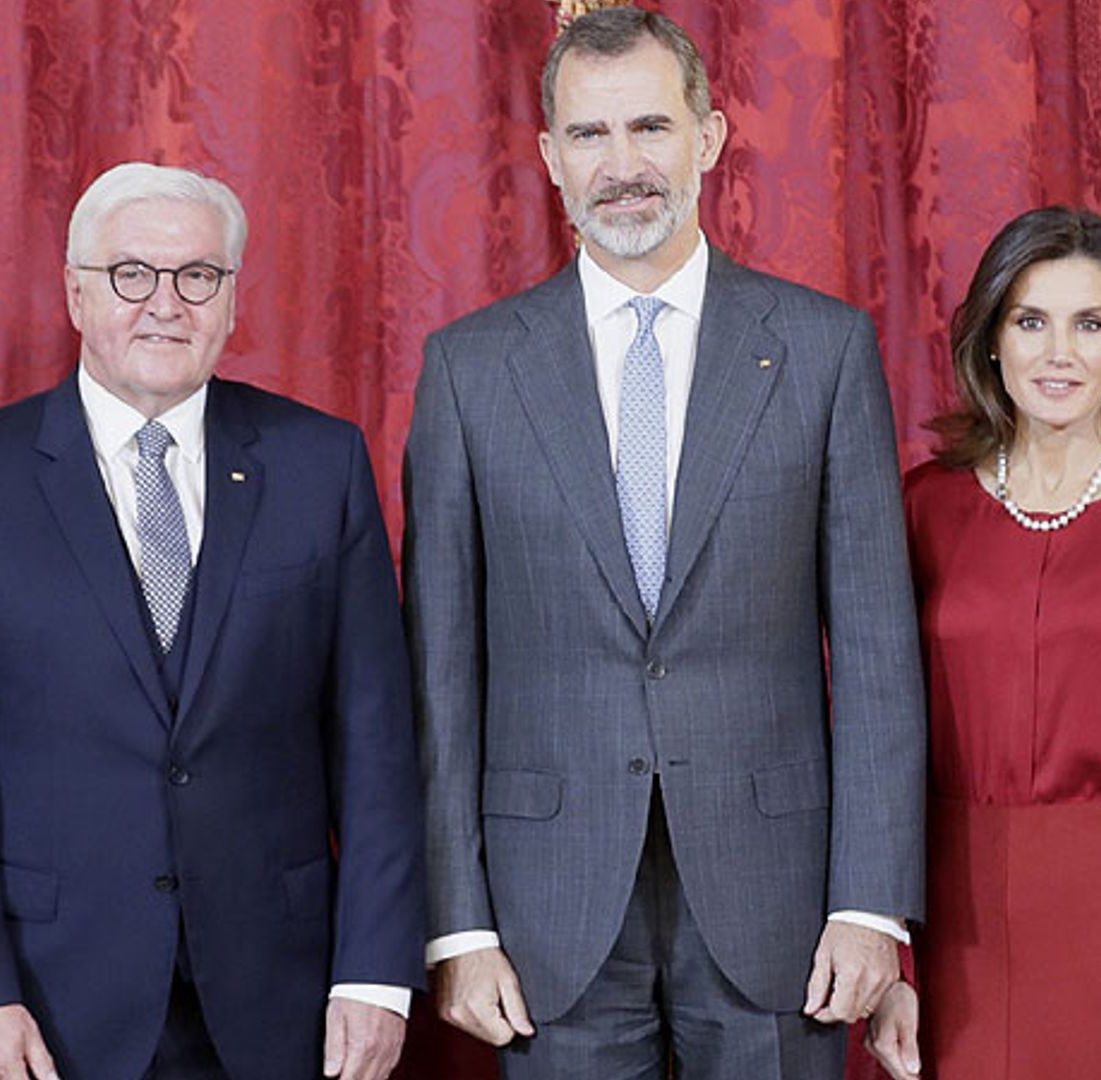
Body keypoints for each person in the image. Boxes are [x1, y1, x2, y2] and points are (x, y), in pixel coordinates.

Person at [403, 8, 925, 1078]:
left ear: (710, 138)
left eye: (650, 126)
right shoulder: (469, 369)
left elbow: (877, 649)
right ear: (550, 157)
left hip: (779, 906)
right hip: (549, 909)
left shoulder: (824, 350)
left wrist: (873, 901)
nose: (624, 165)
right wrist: (457, 925)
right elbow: (441, 667)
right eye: (590, 136)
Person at [0, 162, 426, 1080]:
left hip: (280, 1000)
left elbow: (376, 741)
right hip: (46, 1003)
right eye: (133, 274)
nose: (166, 303)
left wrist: (375, 975)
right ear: (76, 294)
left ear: (231, 301)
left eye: (197, 277)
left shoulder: (320, 463)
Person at [863, 207, 1101, 1080]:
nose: (1058, 353)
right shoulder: (923, 505)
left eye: (1090, 324)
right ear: (992, 339)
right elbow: (878, 740)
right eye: (1030, 321)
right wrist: (888, 948)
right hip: (956, 916)